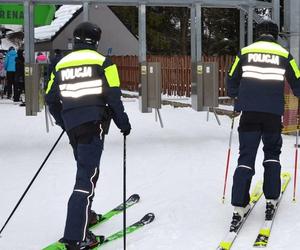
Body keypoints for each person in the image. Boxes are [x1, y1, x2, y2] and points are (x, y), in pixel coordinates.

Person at [45, 22, 131, 250]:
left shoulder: (59, 63)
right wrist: (124, 124)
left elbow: (51, 99)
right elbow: (113, 97)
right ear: (96, 41)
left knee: (87, 170)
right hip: (94, 124)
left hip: (73, 125)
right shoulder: (104, 62)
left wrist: (65, 122)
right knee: (86, 177)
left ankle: (86, 215)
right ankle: (76, 237)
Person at [226, 19, 300, 231]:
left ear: (258, 34)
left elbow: (231, 77)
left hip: (248, 113)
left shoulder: (245, 52)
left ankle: (239, 206)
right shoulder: (284, 54)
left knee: (246, 156)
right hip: (272, 115)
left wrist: (236, 96)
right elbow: (298, 81)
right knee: (271, 154)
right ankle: (271, 199)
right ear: (276, 35)